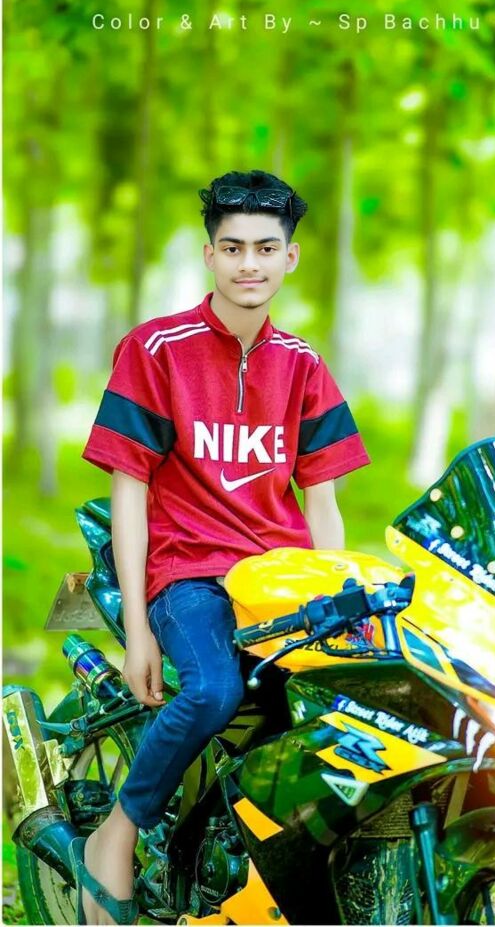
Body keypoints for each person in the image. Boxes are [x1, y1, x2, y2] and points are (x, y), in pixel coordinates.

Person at [73, 169, 370, 924]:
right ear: (209, 255)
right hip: (189, 571)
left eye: (266, 248)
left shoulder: (303, 364)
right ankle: (117, 831)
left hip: (280, 577)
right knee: (210, 691)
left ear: (289, 258)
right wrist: (139, 629)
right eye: (233, 247)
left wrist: (337, 595)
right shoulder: (155, 350)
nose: (249, 263)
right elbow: (129, 491)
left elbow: (323, 503)